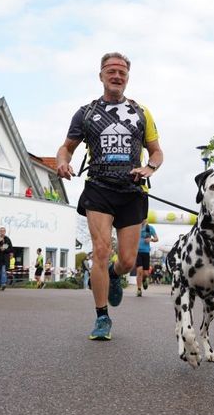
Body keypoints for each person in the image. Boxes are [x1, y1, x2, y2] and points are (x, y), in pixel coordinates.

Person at [56, 51, 163, 341]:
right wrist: (62, 162)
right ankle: (102, 317)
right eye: (111, 71)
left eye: (122, 72)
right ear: (101, 75)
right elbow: (66, 147)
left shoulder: (142, 113)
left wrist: (149, 167)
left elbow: (156, 152)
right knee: (101, 250)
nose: (117, 76)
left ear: (128, 77)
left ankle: (116, 276)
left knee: (127, 261)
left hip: (132, 191)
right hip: (99, 188)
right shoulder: (86, 113)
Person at [136, 219, 158, 297]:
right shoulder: (136, 227)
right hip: (137, 252)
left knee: (145, 273)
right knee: (139, 271)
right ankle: (139, 290)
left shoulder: (150, 228)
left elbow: (156, 239)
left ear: (145, 219)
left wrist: (151, 239)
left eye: (143, 218)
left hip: (146, 252)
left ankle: (144, 279)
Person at [0, 227, 13, 291]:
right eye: (1, 231)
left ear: (5, 232)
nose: (2, 232)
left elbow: (10, 248)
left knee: (3, 271)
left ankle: (3, 284)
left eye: (3, 231)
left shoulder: (7, 239)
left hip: (5, 258)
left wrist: (4, 248)